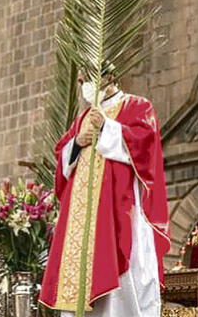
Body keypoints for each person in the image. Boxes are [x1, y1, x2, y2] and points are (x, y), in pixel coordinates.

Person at [39, 63, 171, 317]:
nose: (83, 85)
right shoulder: (82, 118)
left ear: (109, 76)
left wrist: (108, 129)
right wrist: (77, 143)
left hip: (120, 211)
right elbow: (62, 157)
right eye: (80, 81)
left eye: (87, 78)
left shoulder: (137, 106)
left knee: (125, 283)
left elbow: (146, 146)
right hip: (82, 220)